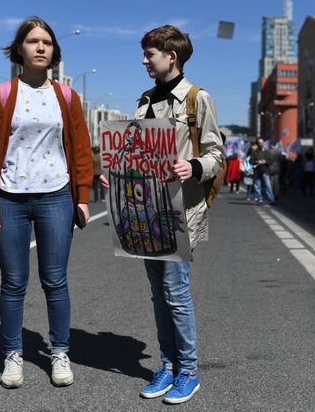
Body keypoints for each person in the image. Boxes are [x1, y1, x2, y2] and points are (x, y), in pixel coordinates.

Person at [101, 25, 224, 404]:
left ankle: (188, 370)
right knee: (158, 294)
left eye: (149, 53)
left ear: (172, 56)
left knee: (176, 293)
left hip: (179, 212)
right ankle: (167, 365)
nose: (143, 60)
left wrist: (194, 166)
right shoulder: (144, 101)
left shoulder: (196, 99)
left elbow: (218, 154)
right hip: (145, 212)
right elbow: (133, 153)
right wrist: (114, 175)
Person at [0, 17, 93, 389]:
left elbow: (82, 149)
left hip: (56, 196)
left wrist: (83, 196)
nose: (41, 47)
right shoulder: (2, 95)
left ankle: (59, 351)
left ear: (54, 51)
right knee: (13, 282)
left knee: (55, 280)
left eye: (47, 42)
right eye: (33, 41)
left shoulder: (67, 97)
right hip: (9, 198)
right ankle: (13, 355)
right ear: (20, 49)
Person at [249, 137, 275, 205]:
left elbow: (271, 161)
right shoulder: (254, 152)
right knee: (257, 186)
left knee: (268, 186)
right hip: (257, 171)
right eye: (259, 143)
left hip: (265, 171)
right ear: (257, 144)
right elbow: (251, 161)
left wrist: (265, 162)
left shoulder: (267, 152)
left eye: (262, 142)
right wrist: (257, 162)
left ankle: (271, 200)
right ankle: (259, 199)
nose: (261, 144)